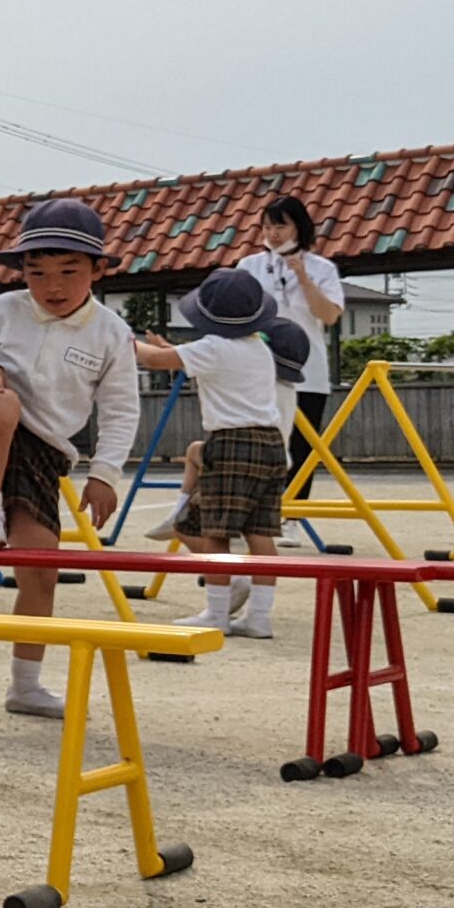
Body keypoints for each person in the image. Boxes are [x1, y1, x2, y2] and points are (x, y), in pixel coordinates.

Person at [0, 198, 140, 718]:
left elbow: (120, 409)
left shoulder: (112, 333)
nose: (52, 286)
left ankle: (24, 685)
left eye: (68, 272)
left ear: (97, 270)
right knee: (1, 402)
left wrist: (105, 475)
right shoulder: (3, 309)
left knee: (40, 570)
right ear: (22, 271)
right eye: (37, 272)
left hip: (44, 453)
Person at [133, 267, 298, 640]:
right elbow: (182, 358)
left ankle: (217, 612)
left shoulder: (212, 348)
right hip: (270, 443)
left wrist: (121, 340)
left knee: (214, 531)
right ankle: (259, 616)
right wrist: (166, 349)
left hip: (232, 442)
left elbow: (158, 362)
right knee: (261, 532)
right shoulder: (259, 348)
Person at [236, 195, 344, 495]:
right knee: (258, 440)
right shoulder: (249, 265)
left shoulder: (322, 268)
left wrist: (303, 278)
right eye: (267, 226)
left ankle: (293, 515)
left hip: (307, 369)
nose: (272, 233)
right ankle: (257, 511)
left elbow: (330, 315)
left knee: (301, 444)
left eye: (280, 226)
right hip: (260, 367)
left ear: (299, 227)